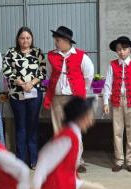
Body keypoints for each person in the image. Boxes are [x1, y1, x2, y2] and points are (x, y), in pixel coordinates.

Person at [30, 96, 109, 189]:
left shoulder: (73, 132)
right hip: (62, 182)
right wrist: (35, 185)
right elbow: (45, 157)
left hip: (68, 179)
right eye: (89, 115)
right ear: (80, 117)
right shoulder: (67, 135)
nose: (91, 119)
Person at [44, 26, 94, 173]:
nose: (55, 42)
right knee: (58, 131)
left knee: (75, 131)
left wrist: (80, 91)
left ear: (66, 41)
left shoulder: (81, 56)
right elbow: (49, 75)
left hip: (74, 99)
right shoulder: (51, 56)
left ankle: (77, 161)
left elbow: (88, 76)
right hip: (57, 99)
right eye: (55, 39)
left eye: (58, 40)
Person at [3, 27, 46, 169]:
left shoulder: (38, 52)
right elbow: (7, 70)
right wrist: (21, 83)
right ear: (18, 39)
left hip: (34, 94)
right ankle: (21, 160)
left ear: (31, 39)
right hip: (16, 94)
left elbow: (42, 72)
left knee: (32, 127)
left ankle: (34, 160)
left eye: (28, 38)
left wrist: (31, 83)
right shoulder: (11, 52)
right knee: (20, 127)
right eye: (22, 38)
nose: (25, 40)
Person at [103, 36, 131, 173]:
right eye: (119, 49)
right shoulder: (112, 65)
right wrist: (105, 101)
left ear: (130, 50)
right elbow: (107, 84)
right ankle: (119, 160)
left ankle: (130, 160)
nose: (121, 52)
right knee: (117, 131)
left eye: (124, 49)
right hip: (116, 100)